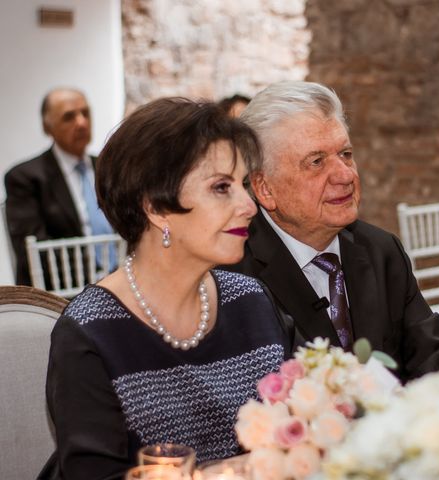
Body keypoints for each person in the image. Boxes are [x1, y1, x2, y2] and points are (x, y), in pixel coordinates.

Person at [39, 98, 293, 479]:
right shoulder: (91, 333)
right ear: (156, 208)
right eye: (222, 187)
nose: (249, 205)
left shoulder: (251, 300)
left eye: (243, 185)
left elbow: (299, 430)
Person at [227, 81, 439, 383]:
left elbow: (431, 350)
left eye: (346, 154)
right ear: (265, 188)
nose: (346, 175)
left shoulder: (380, 250)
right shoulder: (233, 274)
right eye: (317, 162)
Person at [4, 87, 115, 286]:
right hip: (64, 290)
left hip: (121, 280)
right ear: (48, 127)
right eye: (68, 117)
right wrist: (97, 278)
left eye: (86, 113)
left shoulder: (110, 167)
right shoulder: (26, 178)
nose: (81, 122)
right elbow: (32, 249)